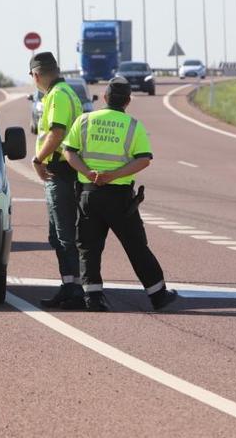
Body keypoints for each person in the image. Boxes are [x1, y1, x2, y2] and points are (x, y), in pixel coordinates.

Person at [62, 77, 178, 312]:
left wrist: (89, 173)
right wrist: (113, 175)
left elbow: (69, 152)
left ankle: (93, 298)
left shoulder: (84, 120)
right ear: (128, 101)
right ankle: (157, 295)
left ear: (104, 98)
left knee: (88, 247)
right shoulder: (133, 126)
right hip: (119, 197)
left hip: (89, 194)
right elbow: (143, 159)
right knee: (136, 245)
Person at [29, 52, 85, 309]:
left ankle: (74, 289)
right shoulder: (66, 91)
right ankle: (69, 285)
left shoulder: (58, 95)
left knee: (64, 235)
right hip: (64, 171)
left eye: (32, 76)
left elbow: (57, 132)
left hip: (60, 172)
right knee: (58, 235)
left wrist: (38, 160)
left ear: (37, 74)